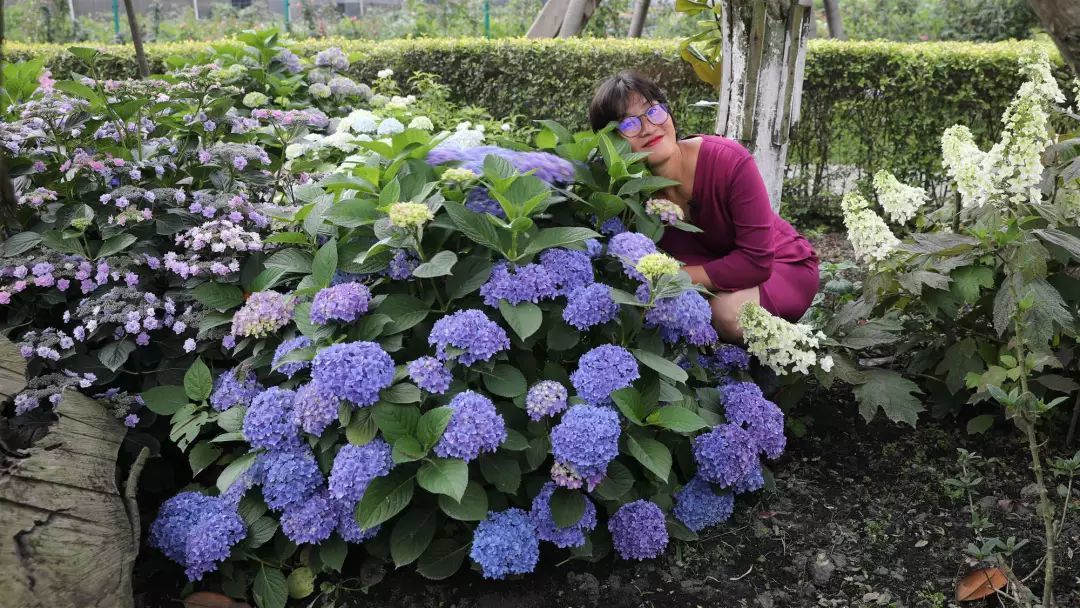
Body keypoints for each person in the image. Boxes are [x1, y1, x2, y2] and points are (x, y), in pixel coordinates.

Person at [589, 71, 820, 343]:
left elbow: (757, 263)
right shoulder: (627, 199)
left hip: (779, 268)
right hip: (712, 287)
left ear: (668, 113)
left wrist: (670, 278)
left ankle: (789, 362)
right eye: (628, 124)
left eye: (653, 111)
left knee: (727, 314)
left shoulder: (728, 160)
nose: (648, 127)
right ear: (610, 142)